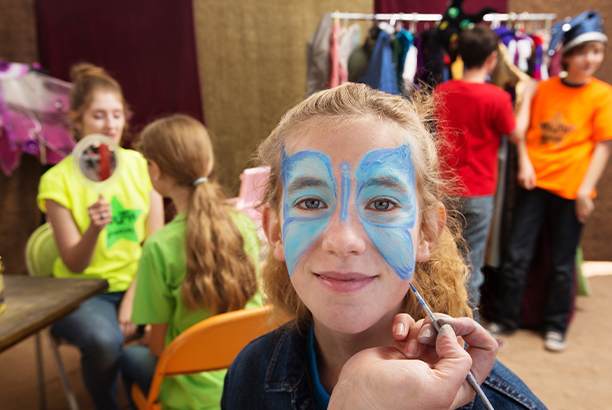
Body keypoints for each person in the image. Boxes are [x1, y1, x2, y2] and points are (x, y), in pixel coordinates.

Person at [221, 83, 547, 410]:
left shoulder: (506, 404)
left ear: (427, 233)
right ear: (275, 232)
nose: (343, 241)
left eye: (381, 203)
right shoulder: (250, 373)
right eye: (310, 201)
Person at [37, 63, 164, 410]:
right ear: (77, 121)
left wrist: (134, 299)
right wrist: (94, 228)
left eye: (117, 114)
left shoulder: (140, 165)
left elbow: (155, 245)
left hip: (137, 282)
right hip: (83, 292)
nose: (110, 124)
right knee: (105, 340)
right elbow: (74, 264)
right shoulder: (56, 182)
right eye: (98, 115)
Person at [487, 10, 612, 352]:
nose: (590, 59)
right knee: (516, 254)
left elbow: (602, 148)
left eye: (597, 51)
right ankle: (507, 319)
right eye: (583, 51)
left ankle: (556, 324)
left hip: (572, 188)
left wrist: (586, 191)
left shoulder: (603, 95)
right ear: (566, 55)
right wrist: (524, 165)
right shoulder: (541, 88)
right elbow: (523, 133)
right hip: (534, 183)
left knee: (561, 261)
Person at [120, 115, 264, 410]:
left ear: (155, 171)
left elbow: (160, 348)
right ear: (207, 162)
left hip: (194, 399)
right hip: (250, 383)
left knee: (129, 356)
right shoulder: (244, 226)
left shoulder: (159, 246)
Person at [434, 25, 533, 318]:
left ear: (460, 55)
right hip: (478, 192)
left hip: (445, 188)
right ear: (492, 58)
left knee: (441, 261)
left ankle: (439, 320)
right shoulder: (497, 98)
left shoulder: (442, 90)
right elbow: (516, 134)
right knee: (470, 264)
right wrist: (526, 100)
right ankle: (469, 329)